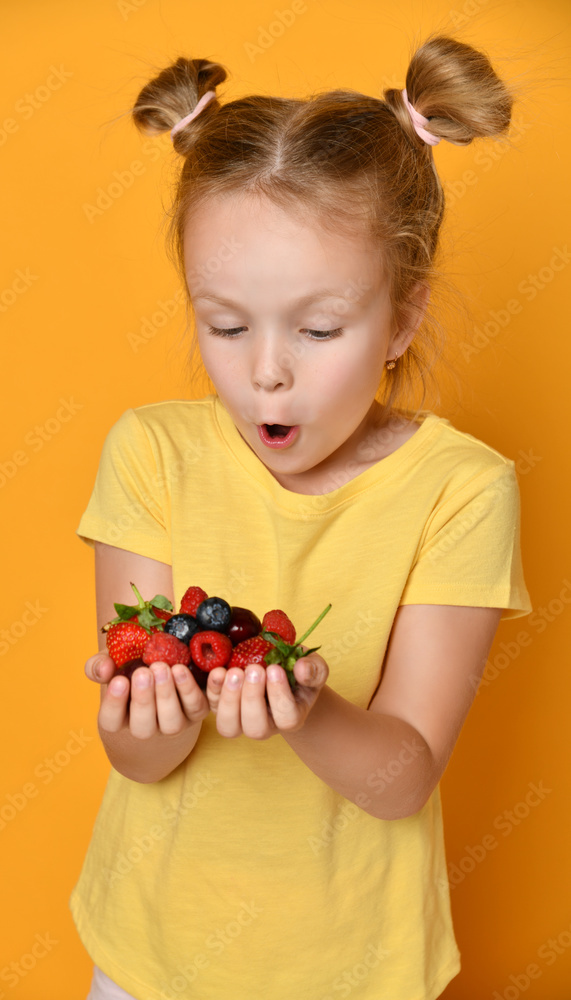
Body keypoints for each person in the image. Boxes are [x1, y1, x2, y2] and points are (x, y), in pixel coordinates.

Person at [71, 33, 532, 1000]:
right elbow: (138, 759)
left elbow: (401, 779)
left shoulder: (461, 491)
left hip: (354, 970)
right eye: (225, 325)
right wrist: (147, 701)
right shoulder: (152, 454)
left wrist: (302, 704)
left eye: (317, 330)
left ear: (401, 318)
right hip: (151, 955)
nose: (266, 369)